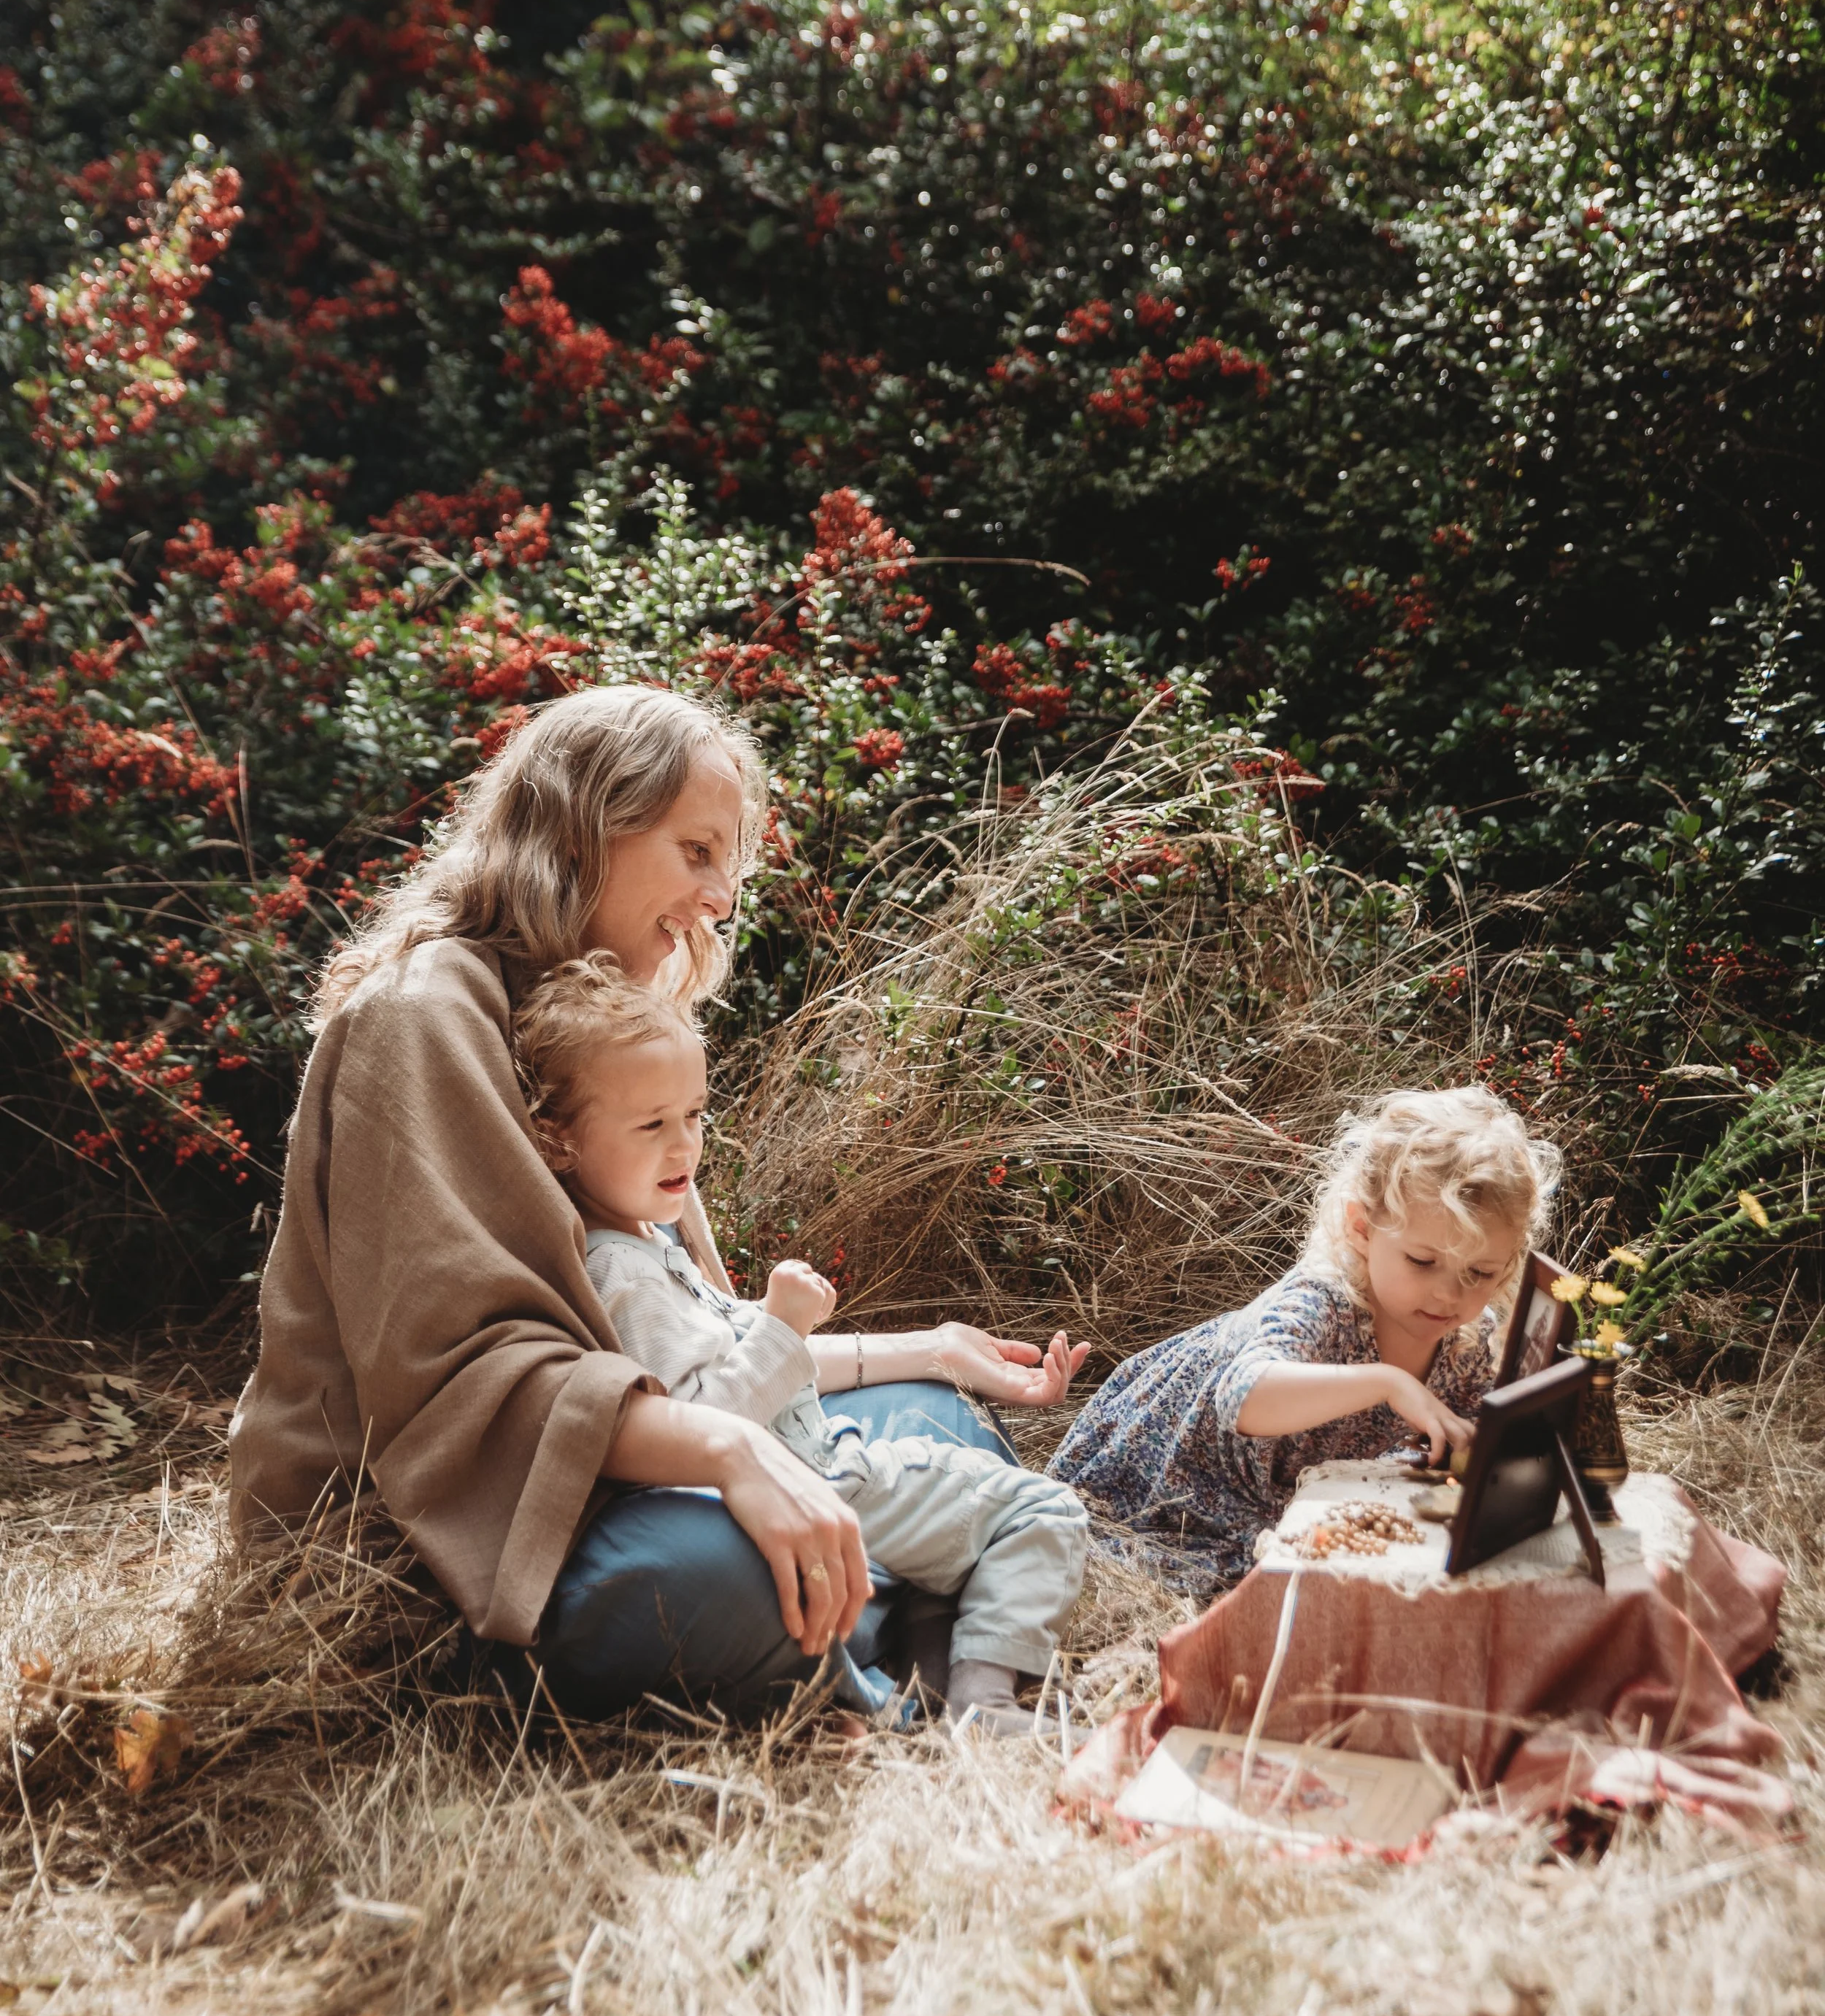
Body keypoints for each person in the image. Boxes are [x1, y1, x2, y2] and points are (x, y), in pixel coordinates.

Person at [228, 682, 1089, 1717]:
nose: (722, 896)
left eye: (729, 861)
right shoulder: (424, 1015)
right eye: (696, 852)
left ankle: (876, 1621)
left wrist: (923, 1350)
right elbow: (461, 1385)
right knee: (718, 1569)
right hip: (459, 1536)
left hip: (629, 1465)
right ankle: (892, 1612)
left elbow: (697, 1348)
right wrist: (727, 1447)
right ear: (587, 828)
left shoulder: (597, 1022)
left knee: (934, 1412)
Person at [512, 953, 1089, 1727]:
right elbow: (698, 1417)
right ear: (557, 1141)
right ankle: (982, 1699)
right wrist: (779, 1325)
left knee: (952, 1501)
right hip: (817, 1474)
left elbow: (738, 1370)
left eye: (694, 1114)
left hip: (820, 1458)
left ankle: (938, 1692)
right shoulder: (618, 1269)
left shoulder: (644, 1238)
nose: (684, 1147)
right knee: (1043, 1512)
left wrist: (931, 1347)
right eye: (651, 1124)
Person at [1048, 1085, 1556, 1597]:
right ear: (1362, 1228)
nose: (1450, 1292)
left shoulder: (1469, 1340)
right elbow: (1244, 1398)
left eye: (1480, 1271)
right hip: (1162, 1491)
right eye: (1422, 1261)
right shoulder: (1324, 1302)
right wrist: (1388, 1382)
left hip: (1278, 1501)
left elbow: (1454, 1445)